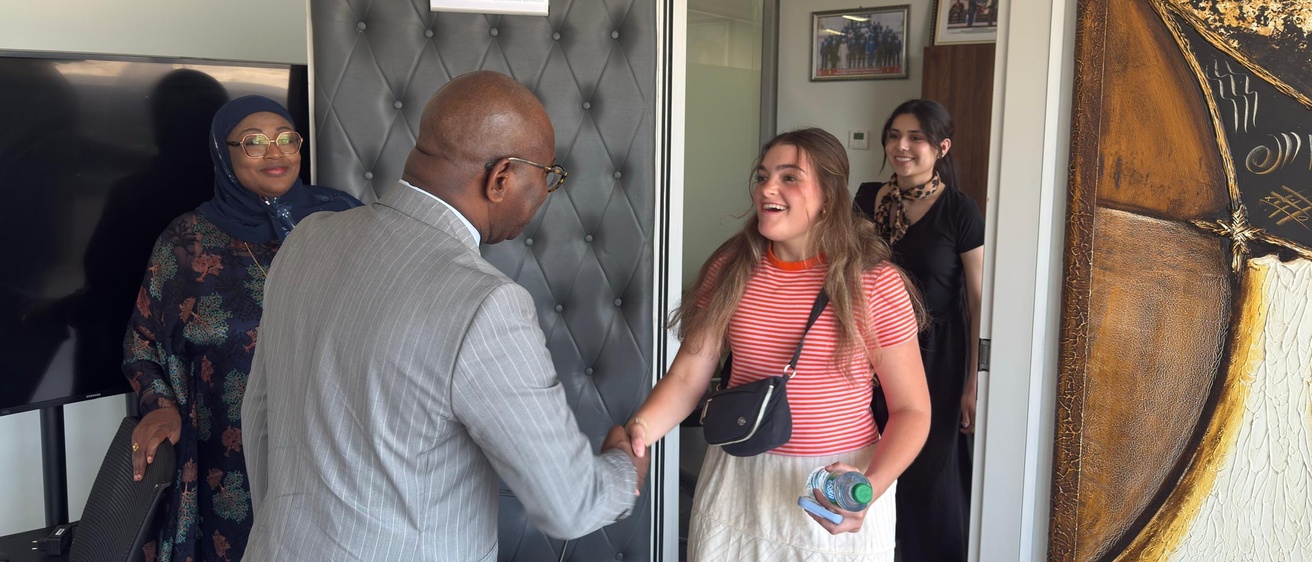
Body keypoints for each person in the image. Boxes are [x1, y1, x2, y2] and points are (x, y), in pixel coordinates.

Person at [239, 70, 647, 561]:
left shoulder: (307, 239)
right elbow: (570, 506)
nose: (543, 196)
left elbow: (257, 415)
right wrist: (624, 470)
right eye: (547, 178)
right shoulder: (486, 303)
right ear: (501, 178)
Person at [625, 128, 931, 560]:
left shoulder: (875, 283)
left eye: (789, 177)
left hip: (834, 487)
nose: (767, 187)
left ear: (828, 194)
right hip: (738, 481)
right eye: (763, 175)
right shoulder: (730, 269)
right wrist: (638, 433)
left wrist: (868, 490)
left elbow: (912, 411)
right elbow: (687, 377)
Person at [122, 95, 362, 562]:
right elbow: (142, 339)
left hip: (337, 439)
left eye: (286, 139)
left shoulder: (344, 219)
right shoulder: (188, 241)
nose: (275, 153)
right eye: (253, 142)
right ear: (224, 154)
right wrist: (160, 405)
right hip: (229, 457)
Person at [853, 99, 985, 562]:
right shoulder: (867, 200)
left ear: (941, 147)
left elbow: (976, 302)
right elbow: (848, 276)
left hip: (938, 360)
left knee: (931, 478)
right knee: (873, 462)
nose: (900, 146)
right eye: (893, 135)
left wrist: (973, 382)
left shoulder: (960, 211)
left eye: (915, 138)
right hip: (872, 355)